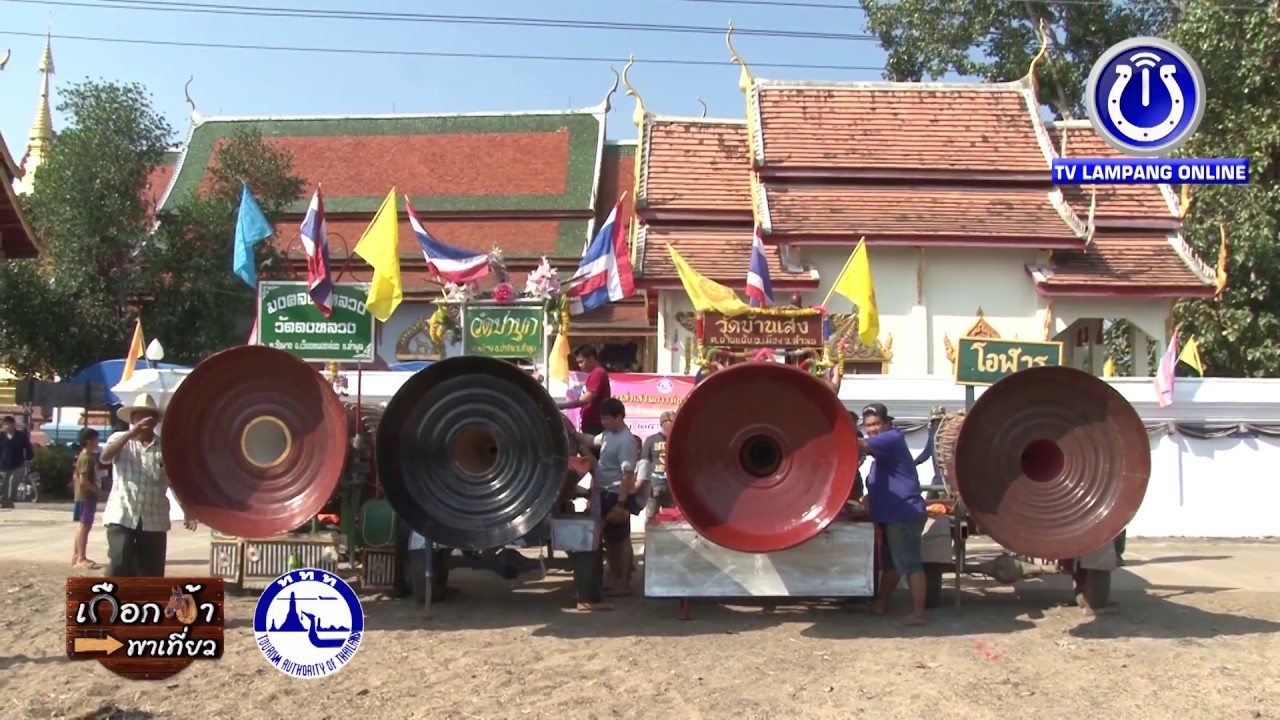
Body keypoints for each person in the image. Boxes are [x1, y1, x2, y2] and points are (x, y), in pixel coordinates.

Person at [98, 393, 197, 578]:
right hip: (123, 514)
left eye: (148, 416)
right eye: (139, 416)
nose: (144, 420)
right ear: (132, 418)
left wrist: (187, 510)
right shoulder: (120, 440)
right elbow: (104, 457)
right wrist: (130, 433)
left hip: (154, 518)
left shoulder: (164, 447)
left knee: (151, 571)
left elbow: (173, 481)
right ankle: (113, 602)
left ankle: (146, 604)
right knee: (119, 564)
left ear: (156, 420)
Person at [857, 402, 928, 625]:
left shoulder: (891, 439)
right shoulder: (881, 452)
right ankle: (880, 604)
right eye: (868, 425)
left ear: (887, 423)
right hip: (891, 516)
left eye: (876, 423)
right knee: (893, 565)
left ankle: (918, 615)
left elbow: (859, 444)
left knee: (911, 565)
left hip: (902, 515)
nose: (872, 428)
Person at [575, 398, 639, 597]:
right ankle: (613, 576)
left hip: (616, 493)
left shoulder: (625, 440)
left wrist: (621, 503)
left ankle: (624, 582)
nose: (603, 422)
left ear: (619, 416)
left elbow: (627, 474)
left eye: (606, 419)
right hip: (604, 492)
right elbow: (592, 440)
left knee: (622, 540)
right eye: (601, 419)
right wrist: (573, 434)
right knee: (611, 540)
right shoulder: (609, 434)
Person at [71, 428, 105, 569]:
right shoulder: (85, 458)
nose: (98, 442)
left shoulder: (86, 456)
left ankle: (77, 555)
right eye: (96, 439)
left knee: (83, 526)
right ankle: (81, 558)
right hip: (86, 497)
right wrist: (99, 492)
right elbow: (83, 480)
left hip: (84, 496)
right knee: (85, 526)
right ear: (89, 441)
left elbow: (75, 477)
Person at [563, 346, 611, 437]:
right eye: (578, 363)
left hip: (595, 424)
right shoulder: (594, 374)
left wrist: (561, 406)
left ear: (591, 358)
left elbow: (585, 400)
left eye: (581, 361)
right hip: (591, 423)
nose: (580, 365)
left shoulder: (598, 374)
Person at [640, 411, 674, 518]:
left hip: (672, 487)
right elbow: (644, 463)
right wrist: (645, 485)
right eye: (670, 422)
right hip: (655, 485)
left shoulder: (677, 440)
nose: (672, 424)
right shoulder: (651, 440)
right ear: (663, 423)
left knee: (671, 517)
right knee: (651, 517)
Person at [0, 415, 34, 509]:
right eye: (5, 425)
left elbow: (28, 449)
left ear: (13, 425)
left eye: (9, 424)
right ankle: (4, 500)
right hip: (3, 463)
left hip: (18, 463)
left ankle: (11, 500)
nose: (7, 426)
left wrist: (28, 460)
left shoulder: (20, 436)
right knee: (4, 483)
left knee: (14, 482)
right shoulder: (1, 436)